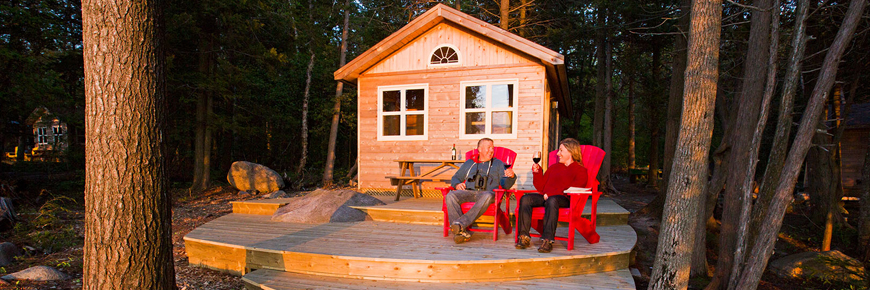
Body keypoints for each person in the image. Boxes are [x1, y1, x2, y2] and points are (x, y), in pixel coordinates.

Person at [515, 138, 588, 253]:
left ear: (570, 152)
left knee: (552, 200)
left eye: (561, 151)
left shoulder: (580, 170)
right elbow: (541, 186)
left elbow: (576, 188)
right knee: (525, 199)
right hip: (547, 197)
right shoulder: (554, 167)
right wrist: (537, 172)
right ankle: (524, 237)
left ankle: (547, 240)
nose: (558, 154)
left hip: (563, 199)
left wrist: (550, 194)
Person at [445, 138, 516, 244]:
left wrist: (511, 177)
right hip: (469, 192)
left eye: (492, 148)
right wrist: (457, 184)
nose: (491, 150)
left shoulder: (498, 164)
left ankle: (459, 224)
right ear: (479, 149)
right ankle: (460, 231)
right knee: (450, 195)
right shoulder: (470, 163)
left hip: (488, 194)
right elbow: (455, 178)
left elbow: (505, 184)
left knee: (487, 195)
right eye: (488, 148)